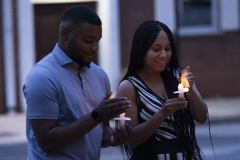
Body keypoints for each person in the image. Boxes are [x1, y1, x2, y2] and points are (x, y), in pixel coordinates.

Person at [23, 5, 131, 160]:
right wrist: (97, 115)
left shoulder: (100, 75)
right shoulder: (42, 76)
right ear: (65, 33)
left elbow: (103, 130)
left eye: (97, 41)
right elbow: (47, 141)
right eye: (88, 41)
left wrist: (114, 138)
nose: (95, 48)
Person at [115, 20, 208, 160]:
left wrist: (190, 90)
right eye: (156, 49)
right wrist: (163, 113)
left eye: (168, 48)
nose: (164, 55)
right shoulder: (129, 87)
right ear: (141, 50)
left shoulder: (179, 75)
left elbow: (202, 117)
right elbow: (131, 140)